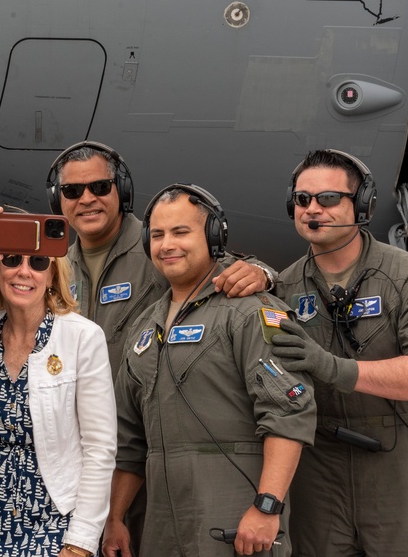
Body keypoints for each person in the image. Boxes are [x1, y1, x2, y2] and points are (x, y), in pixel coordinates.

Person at [102, 185, 316, 557]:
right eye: (157, 235)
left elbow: (288, 413)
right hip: (162, 524)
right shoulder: (144, 327)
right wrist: (116, 518)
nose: (167, 244)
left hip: (236, 513)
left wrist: (268, 507)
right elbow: (130, 440)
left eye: (181, 232)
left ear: (215, 236)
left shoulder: (252, 312)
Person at [272, 149, 408, 556]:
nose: (312, 210)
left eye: (328, 199)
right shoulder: (283, 288)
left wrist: (338, 369)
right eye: (302, 199)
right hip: (319, 465)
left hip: (401, 456)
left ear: (361, 205)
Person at [46, 141, 276, 379]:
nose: (86, 199)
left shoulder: (157, 248)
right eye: (72, 191)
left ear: (122, 190)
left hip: (143, 410)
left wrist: (262, 275)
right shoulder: (55, 266)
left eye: (100, 187)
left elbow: (234, 267)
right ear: (57, 200)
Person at [0, 252, 116, 557]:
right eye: (12, 260)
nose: (24, 272)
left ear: (53, 275)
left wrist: (81, 541)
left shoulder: (83, 337)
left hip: (54, 517)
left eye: (39, 263)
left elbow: (100, 448)